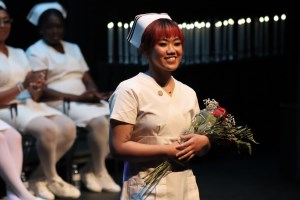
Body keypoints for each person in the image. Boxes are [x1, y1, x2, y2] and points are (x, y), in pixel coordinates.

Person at [108, 13, 211, 200]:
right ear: (145, 49)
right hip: (146, 186)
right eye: (163, 44)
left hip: (183, 185)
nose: (172, 50)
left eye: (177, 43)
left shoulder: (188, 92)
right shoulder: (130, 89)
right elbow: (118, 147)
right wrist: (166, 150)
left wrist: (204, 143)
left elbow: (197, 142)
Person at [25, 2, 121, 193]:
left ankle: (90, 170)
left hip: (82, 99)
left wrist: (94, 93)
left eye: (58, 26)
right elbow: (41, 89)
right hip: (58, 102)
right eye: (50, 27)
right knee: (99, 123)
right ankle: (100, 171)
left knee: (116, 119)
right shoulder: (36, 51)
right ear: (41, 29)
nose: (55, 31)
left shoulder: (73, 48)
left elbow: (86, 77)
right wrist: (78, 98)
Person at [0, 2, 81, 199]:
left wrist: (37, 86)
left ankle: (40, 177)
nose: (3, 26)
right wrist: (22, 86)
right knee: (48, 129)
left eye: (6, 21)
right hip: (6, 108)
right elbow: (20, 86)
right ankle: (52, 177)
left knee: (68, 127)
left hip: (28, 104)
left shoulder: (18, 52)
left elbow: (33, 90)